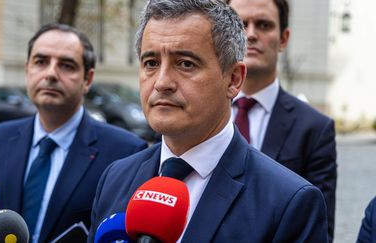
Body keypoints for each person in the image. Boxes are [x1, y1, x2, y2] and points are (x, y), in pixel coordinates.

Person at [89, 0, 328, 242]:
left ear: (234, 79)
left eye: (185, 64)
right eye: (151, 63)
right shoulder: (115, 178)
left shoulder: (288, 203)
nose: (162, 82)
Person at [0, 23, 147, 243]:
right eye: (41, 62)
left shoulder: (126, 152)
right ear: (27, 69)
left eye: (67, 65)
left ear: (88, 79)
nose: (51, 74)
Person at [227, 0, 337, 241]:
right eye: (241, 24)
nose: (251, 34)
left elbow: (320, 230)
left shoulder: (315, 129)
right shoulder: (196, 114)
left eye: (264, 25)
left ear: (284, 38)